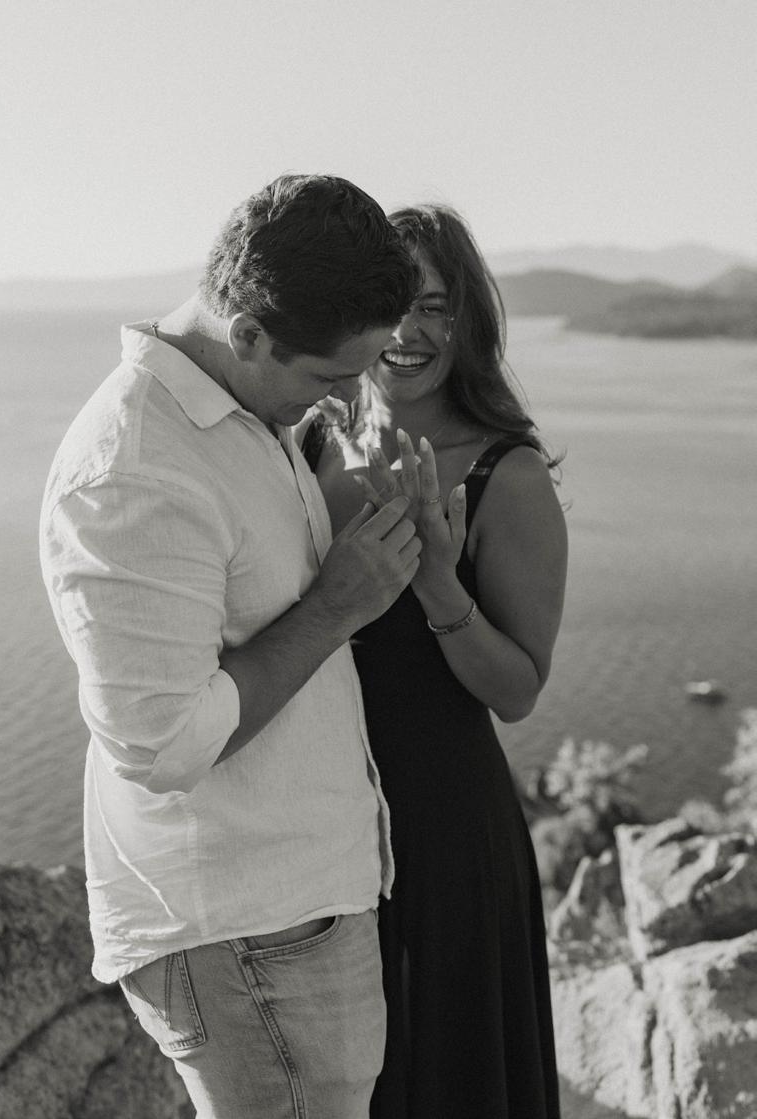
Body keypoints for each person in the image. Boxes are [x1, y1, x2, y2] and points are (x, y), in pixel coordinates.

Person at [39, 173, 424, 1119]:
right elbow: (163, 743)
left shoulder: (242, 411)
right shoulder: (136, 468)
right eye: (331, 377)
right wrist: (339, 606)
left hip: (288, 908)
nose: (349, 395)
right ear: (247, 332)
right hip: (246, 933)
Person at [302, 204, 567, 1118]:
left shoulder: (508, 476)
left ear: (470, 322)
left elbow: (519, 690)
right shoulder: (309, 443)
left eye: (436, 307)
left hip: (446, 838)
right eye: (392, 303)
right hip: (315, 831)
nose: (408, 332)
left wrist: (437, 583)